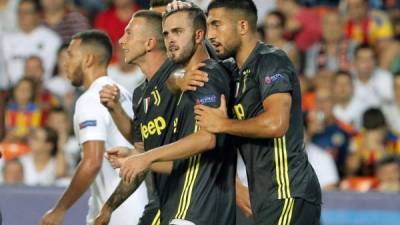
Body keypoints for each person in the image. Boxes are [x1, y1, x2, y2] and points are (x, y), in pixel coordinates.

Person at [192, 0, 321, 224]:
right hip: (264, 197)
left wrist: (222, 124)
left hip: (288, 190)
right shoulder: (234, 73)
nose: (210, 35)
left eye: (216, 25)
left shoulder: (271, 60)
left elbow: (276, 123)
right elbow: (193, 65)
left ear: (242, 26)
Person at [110, 5, 236, 225]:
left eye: (177, 32)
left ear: (199, 35)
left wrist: (145, 157)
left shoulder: (204, 75)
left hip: (195, 206)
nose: (169, 39)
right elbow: (177, 162)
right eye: (166, 34)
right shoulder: (176, 83)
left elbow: (207, 138)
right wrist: (136, 155)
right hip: (181, 204)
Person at [40, 30, 147, 225]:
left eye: (71, 55)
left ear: (88, 59)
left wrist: (59, 210)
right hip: (130, 206)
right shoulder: (122, 92)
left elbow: (92, 162)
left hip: (121, 214)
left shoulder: (91, 99)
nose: (65, 62)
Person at [1, 0, 61, 86]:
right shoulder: (6, 40)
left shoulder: (52, 40)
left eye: (26, 12)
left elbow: (52, 72)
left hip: (43, 91)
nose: (22, 16)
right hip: (11, 92)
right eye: (19, 12)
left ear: (37, 15)